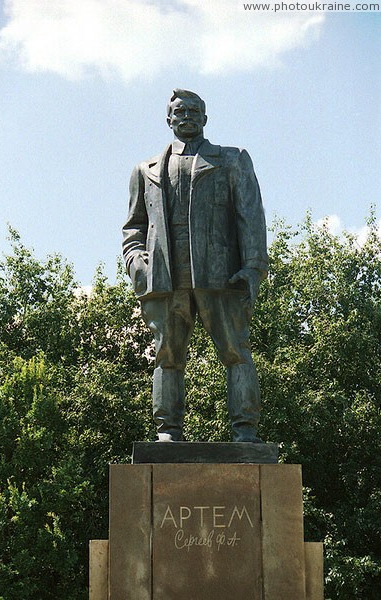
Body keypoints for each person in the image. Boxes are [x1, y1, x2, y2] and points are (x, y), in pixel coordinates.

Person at [122, 89, 268, 442]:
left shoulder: (232, 160)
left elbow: (250, 217)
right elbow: (133, 227)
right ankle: (167, 431)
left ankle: (245, 432)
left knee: (236, 352)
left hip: (222, 276)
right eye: (179, 111)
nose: (186, 115)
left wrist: (253, 268)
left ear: (204, 118)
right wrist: (137, 265)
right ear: (168, 119)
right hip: (165, 278)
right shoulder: (146, 170)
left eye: (194, 111)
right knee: (167, 356)